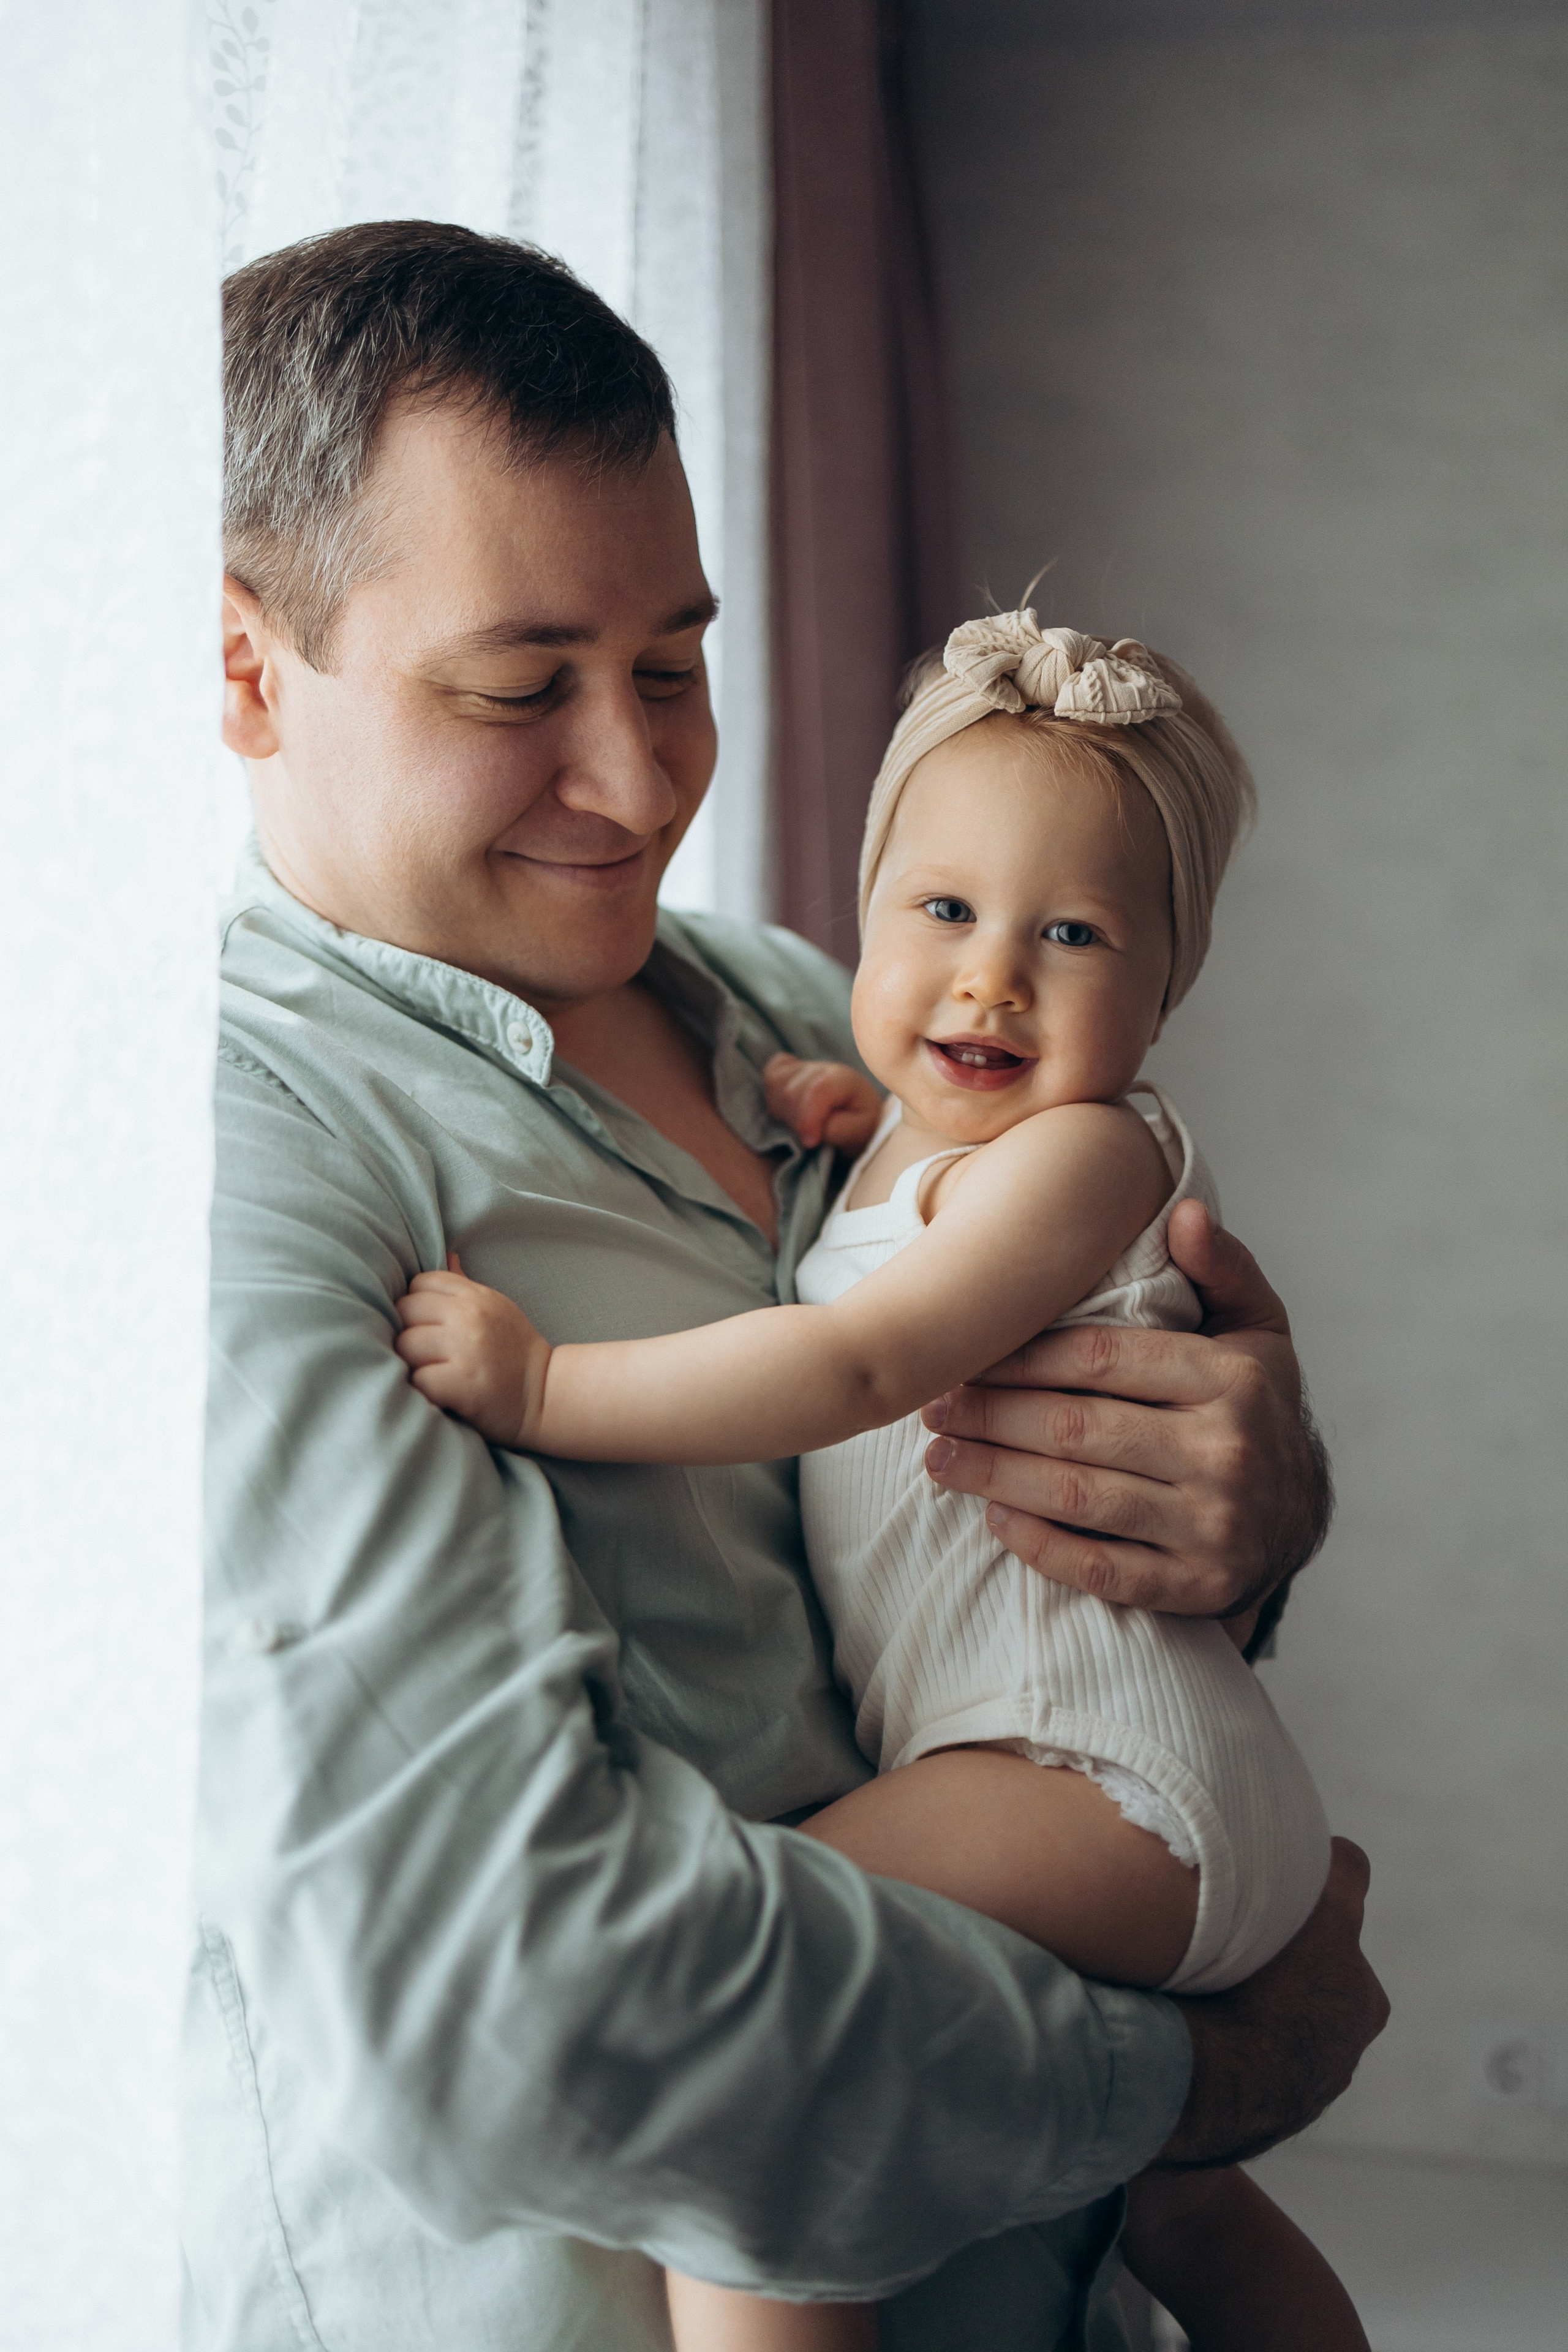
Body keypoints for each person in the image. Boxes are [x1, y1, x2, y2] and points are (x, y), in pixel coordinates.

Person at [188, 220, 1387, 2352]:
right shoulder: (236, 1167)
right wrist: (1187, 2085)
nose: (646, 783)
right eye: (519, 684)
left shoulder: (797, 1013)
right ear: (250, 666)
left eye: (673, 666)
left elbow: (997, 1499)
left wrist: (1245, 1511)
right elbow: (533, 2003)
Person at [392, 612, 1366, 2350]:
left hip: (1100, 1774)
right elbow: (894, 1231)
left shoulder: (1085, 1154)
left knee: (746, 2043)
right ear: (863, 912)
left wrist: (547, 1383)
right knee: (1190, 2219)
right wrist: (858, 1130)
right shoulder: (930, 1141)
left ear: (1164, 990)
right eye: (943, 914)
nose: (991, 979)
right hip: (1065, 1759)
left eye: (1068, 935)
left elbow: (856, 1364)